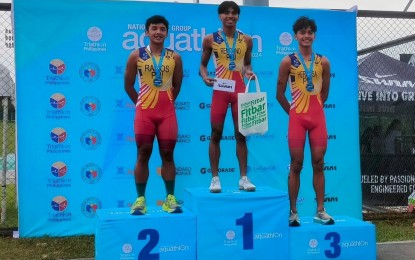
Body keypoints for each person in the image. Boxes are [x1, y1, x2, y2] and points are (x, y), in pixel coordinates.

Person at [276, 16, 334, 226]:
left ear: (314, 36)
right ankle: (293, 212)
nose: (306, 36)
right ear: (296, 36)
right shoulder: (287, 61)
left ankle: (320, 210)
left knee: (319, 163)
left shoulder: (323, 62)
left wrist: (314, 108)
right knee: (297, 164)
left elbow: (324, 93)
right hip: (298, 119)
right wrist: (294, 113)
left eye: (310, 32)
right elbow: (279, 94)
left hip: (317, 117)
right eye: (302, 33)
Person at [124, 15, 183, 215]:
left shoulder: (175, 57)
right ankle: (140, 200)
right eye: (154, 28)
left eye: (162, 29)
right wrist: (142, 103)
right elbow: (128, 85)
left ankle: (170, 199)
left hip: (167, 112)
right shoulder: (136, 56)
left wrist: (165, 102)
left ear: (167, 33)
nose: (158, 32)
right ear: (147, 32)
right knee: (143, 153)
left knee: (168, 154)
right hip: (145, 113)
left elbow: (177, 86)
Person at [199, 1, 256, 193]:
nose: (230, 16)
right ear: (220, 16)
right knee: (216, 133)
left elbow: (247, 64)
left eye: (234, 13)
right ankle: (215, 178)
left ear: (238, 17)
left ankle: (243, 178)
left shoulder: (247, 40)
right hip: (221, 90)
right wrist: (205, 76)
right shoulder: (210, 39)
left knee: (241, 135)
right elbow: (203, 66)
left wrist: (248, 72)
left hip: (239, 90)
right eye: (226, 13)